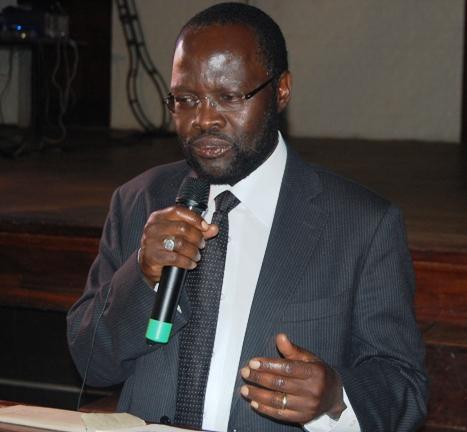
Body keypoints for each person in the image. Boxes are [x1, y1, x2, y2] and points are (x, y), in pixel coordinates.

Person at [67, 3, 428, 431]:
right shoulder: (137, 201)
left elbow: (403, 389)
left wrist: (335, 397)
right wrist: (141, 277)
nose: (203, 119)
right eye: (186, 99)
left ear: (281, 91)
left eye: (229, 97)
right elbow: (91, 364)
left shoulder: (362, 226)